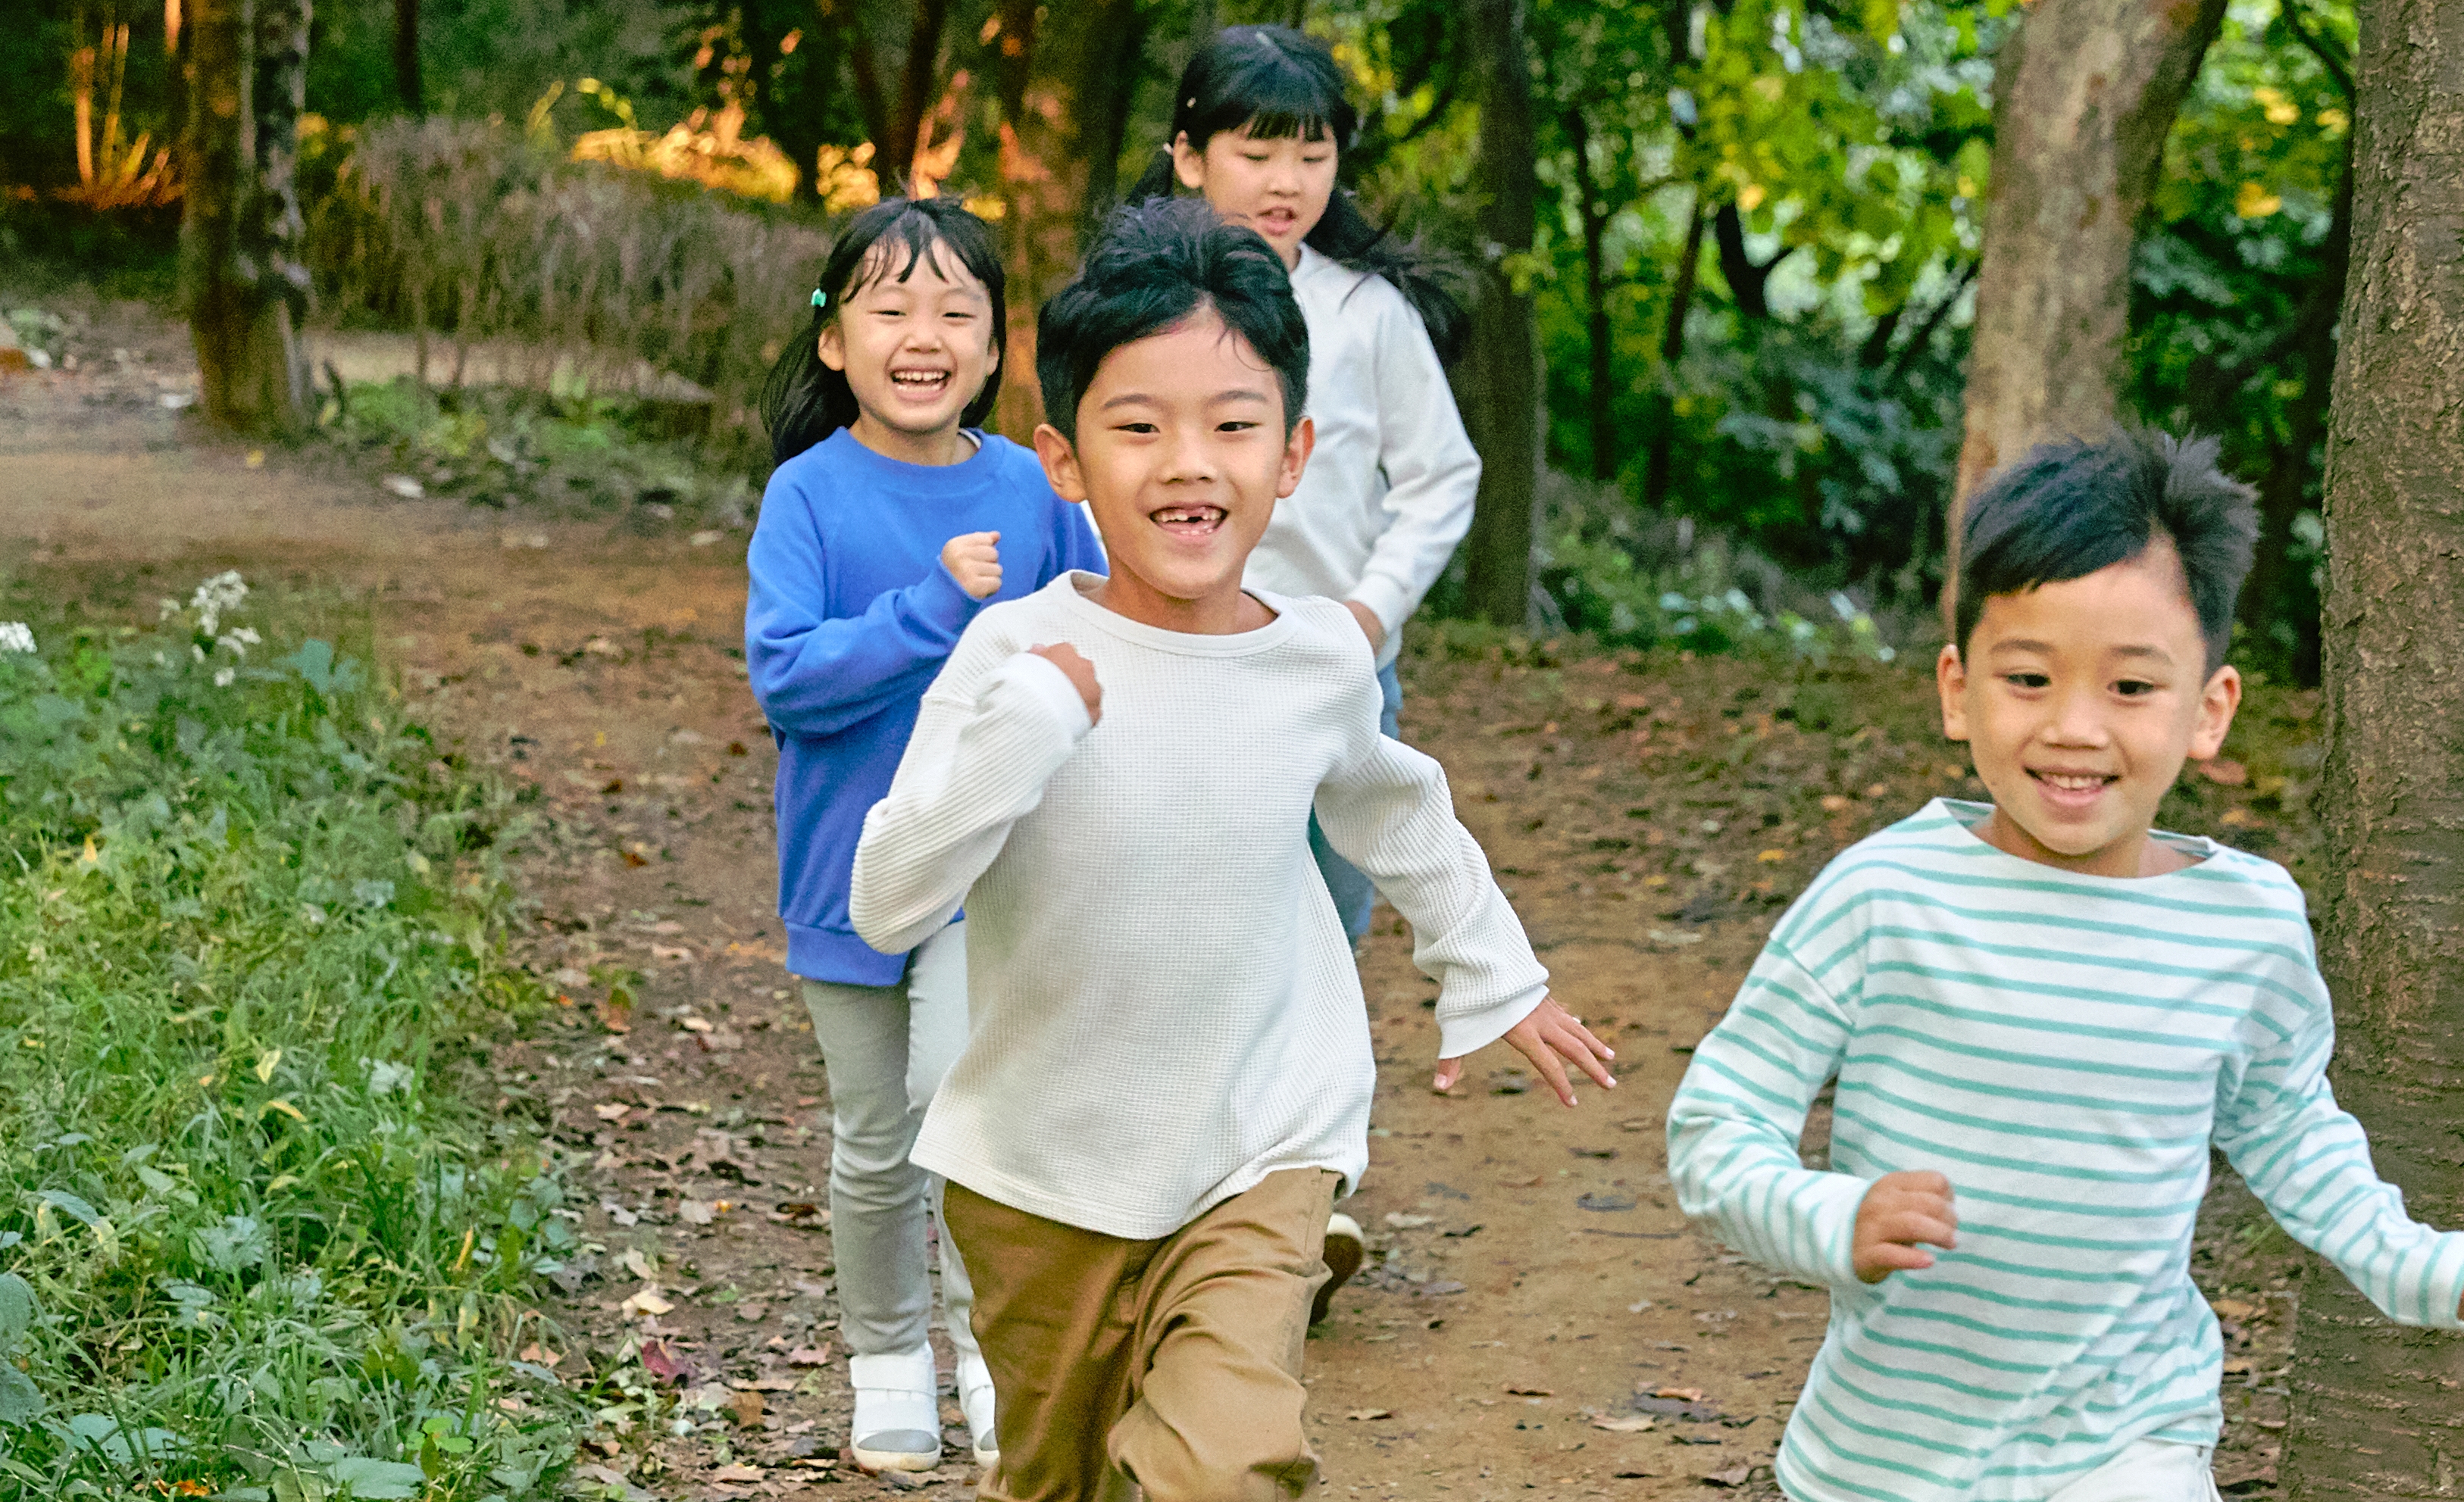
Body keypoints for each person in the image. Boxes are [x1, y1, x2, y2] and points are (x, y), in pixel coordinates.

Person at [846, 198, 1615, 1500]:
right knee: (1058, 1482)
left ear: (1295, 453)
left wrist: (1497, 975)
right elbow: (888, 898)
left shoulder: (1316, 660)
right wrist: (1020, 735)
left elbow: (1399, 806)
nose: (1189, 463)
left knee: (1222, 1466)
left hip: (1262, 1145)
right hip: (1039, 1175)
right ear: (1066, 460)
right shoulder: (1013, 657)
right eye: (1139, 428)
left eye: (1233, 426)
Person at [1665, 429, 2464, 1502]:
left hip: (2127, 1441)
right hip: (1883, 1459)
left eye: (2132, 688)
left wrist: (2406, 1260)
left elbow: (2286, 1123)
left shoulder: (2247, 923)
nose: (2076, 728)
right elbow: (1717, 1128)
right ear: (1958, 690)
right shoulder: (1882, 899)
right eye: (2030, 678)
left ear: (2209, 710)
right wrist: (1830, 1221)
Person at [744, 195, 1105, 1473]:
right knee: (875, 1140)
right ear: (835, 340)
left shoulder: (1033, 486)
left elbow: (1104, 639)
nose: (924, 334)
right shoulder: (806, 496)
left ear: (997, 347)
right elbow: (785, 678)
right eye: (890, 307)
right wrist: (929, 608)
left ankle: (993, 1361)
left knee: (967, 1106)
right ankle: (886, 1363)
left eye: (958, 310)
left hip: (991, 875)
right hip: (842, 877)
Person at [1129, 21, 1484, 1315]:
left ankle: (1307, 1194)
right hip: (1168, 672)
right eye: (1253, 147)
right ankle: (1177, 1199)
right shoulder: (1143, 309)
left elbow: (1443, 479)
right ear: (1188, 156)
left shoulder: (1367, 314)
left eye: (1311, 150)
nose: (1284, 178)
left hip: (1330, 676)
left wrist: (1372, 618)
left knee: (1320, 941)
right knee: (1179, 932)